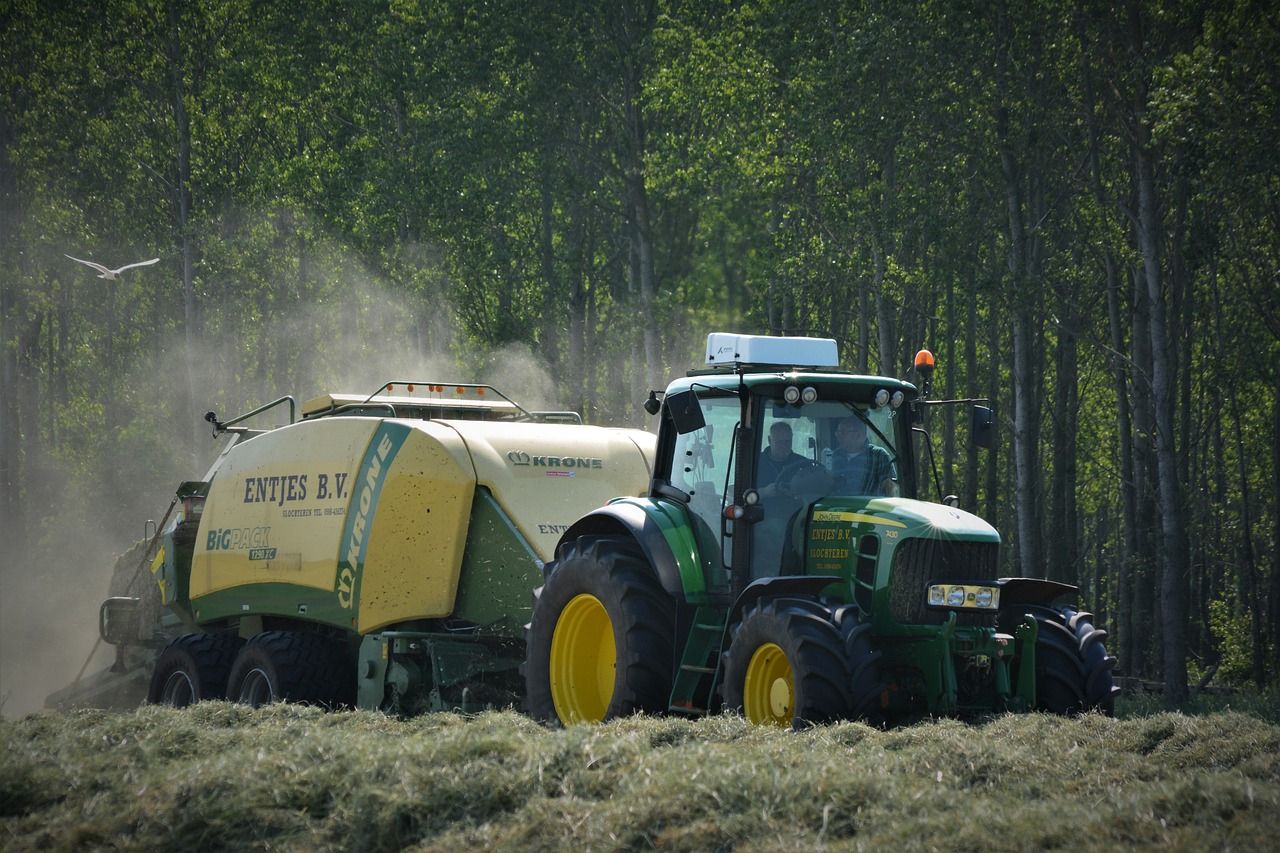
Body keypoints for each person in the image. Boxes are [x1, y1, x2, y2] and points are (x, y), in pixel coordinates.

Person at [831, 416, 895, 496]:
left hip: (869, 507)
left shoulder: (879, 455)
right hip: (839, 507)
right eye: (838, 432)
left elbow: (889, 489)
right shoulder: (836, 455)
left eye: (843, 432)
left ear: (857, 435)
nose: (837, 436)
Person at [757, 421, 806, 496]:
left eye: (787, 441)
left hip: (799, 506)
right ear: (769, 440)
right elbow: (737, 492)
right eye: (779, 442)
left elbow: (818, 489)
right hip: (762, 507)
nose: (784, 446)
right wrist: (764, 492)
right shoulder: (754, 463)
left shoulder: (803, 463)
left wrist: (798, 491)